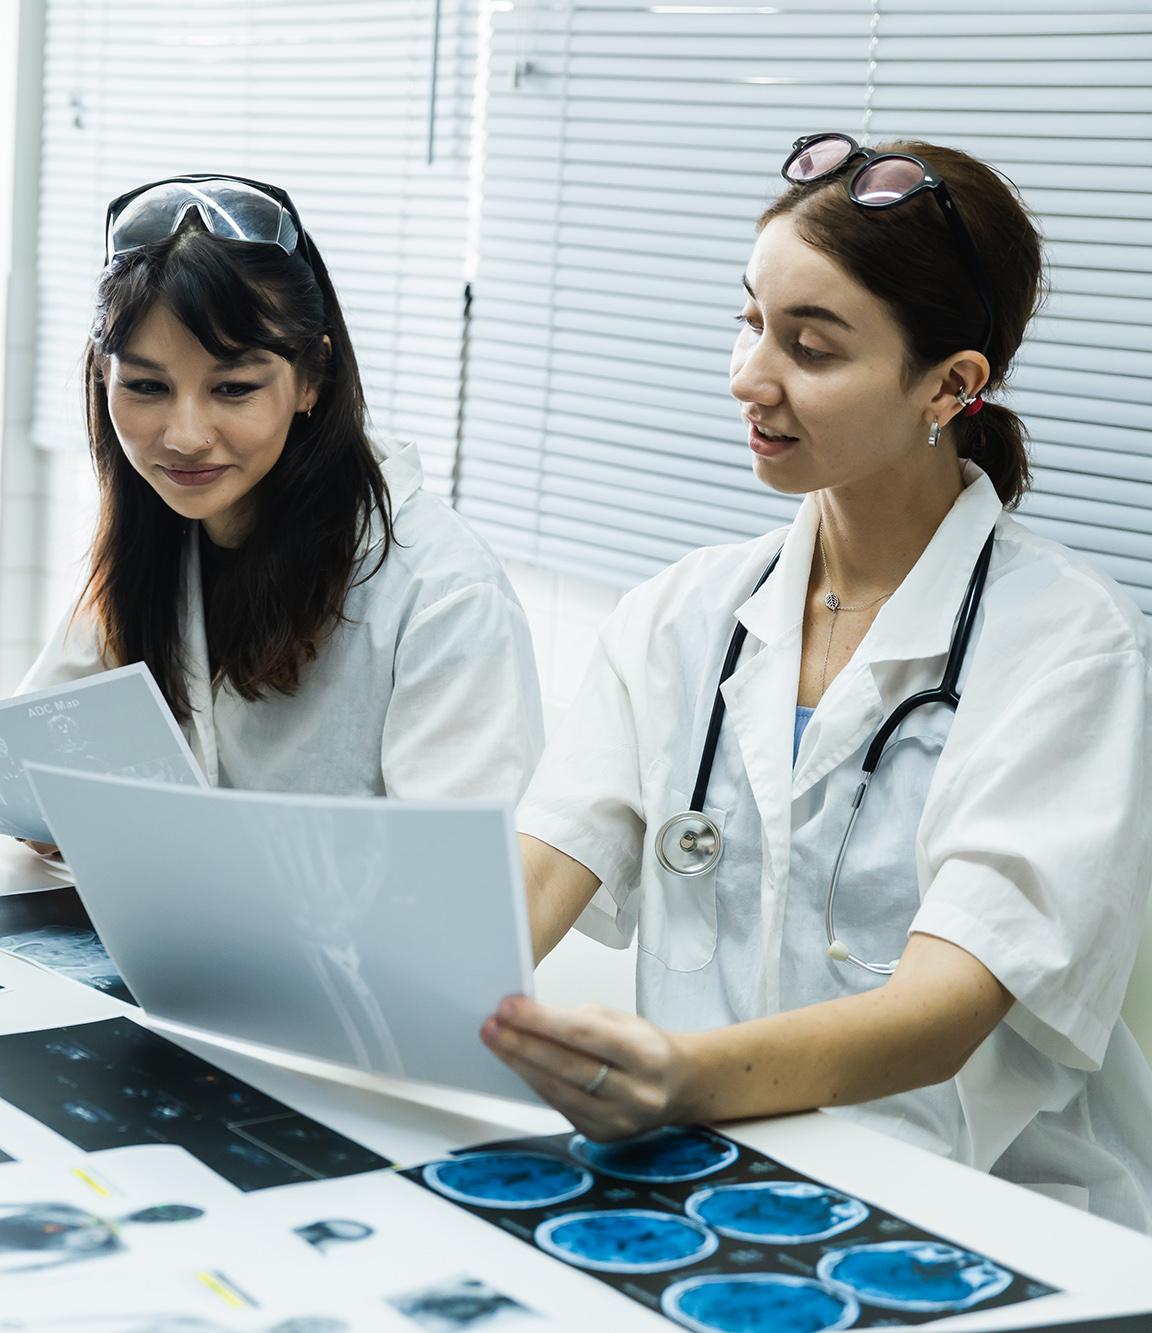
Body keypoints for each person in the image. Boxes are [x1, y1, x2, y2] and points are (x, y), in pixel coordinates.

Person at [487, 134, 1152, 1230]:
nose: (748, 376)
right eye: (749, 319)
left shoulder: (1064, 645)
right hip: (705, 1182)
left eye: (810, 346)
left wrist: (681, 1074)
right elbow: (526, 889)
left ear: (950, 384)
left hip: (972, 1213)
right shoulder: (680, 615)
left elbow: (940, 1014)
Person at [22, 175, 543, 811]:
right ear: (104, 379)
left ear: (311, 378)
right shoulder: (154, 537)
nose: (185, 437)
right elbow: (32, 760)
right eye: (146, 388)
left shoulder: (442, 594)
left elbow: (455, 885)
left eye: (234, 388)